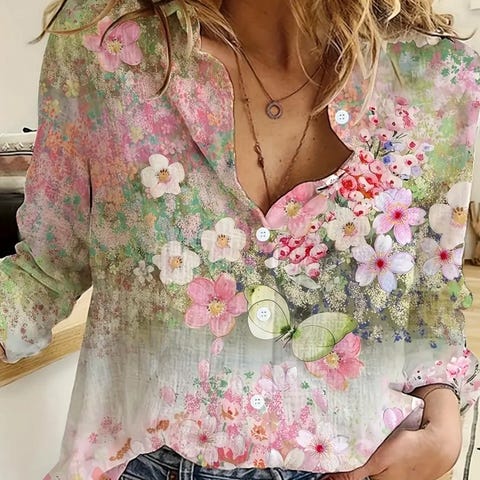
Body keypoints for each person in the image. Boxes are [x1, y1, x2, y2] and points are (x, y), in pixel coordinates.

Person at [1, 0, 479, 479]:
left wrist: (443, 419)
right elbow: (46, 269)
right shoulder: (108, 45)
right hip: (143, 463)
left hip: (357, 461)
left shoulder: (435, 76)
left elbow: (427, 315)